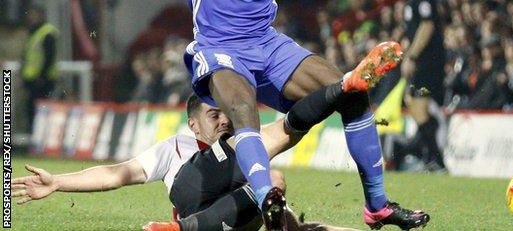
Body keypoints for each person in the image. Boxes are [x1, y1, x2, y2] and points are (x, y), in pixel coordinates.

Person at [168, 0, 447, 229]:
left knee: (351, 92)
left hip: (266, 42)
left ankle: (378, 206)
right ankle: (265, 196)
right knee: (243, 109)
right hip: (220, 46)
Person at [12, 95, 357, 231]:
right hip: (197, 207)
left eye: (226, 113)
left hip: (236, 217)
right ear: (193, 124)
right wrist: (58, 182)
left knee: (278, 194)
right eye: (213, 114)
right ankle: (335, 92)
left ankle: (338, 90)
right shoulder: (176, 148)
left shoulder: (242, 144)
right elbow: (116, 173)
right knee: (270, 168)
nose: (223, 119)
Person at [399, 0, 447, 172]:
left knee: (418, 107)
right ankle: (429, 156)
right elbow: (415, 28)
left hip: (428, 60)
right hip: (422, 60)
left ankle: (436, 161)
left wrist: (412, 56)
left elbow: (427, 26)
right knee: (415, 104)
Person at [20, 6, 58, 133]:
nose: (30, 18)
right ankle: (34, 138)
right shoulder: (34, 32)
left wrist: (42, 77)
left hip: (43, 80)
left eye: (33, 15)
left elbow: (49, 57)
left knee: (40, 111)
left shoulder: (47, 33)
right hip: (32, 79)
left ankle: (40, 138)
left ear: (41, 16)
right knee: (31, 111)